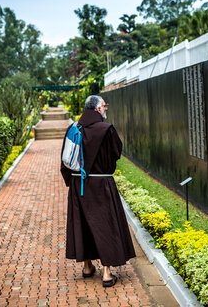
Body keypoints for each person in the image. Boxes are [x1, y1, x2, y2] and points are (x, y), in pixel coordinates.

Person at [60, 95, 136, 287]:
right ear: (96, 109)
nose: (106, 108)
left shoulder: (73, 128)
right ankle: (107, 274)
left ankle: (87, 267)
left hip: (79, 186)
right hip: (101, 185)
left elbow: (65, 161)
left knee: (83, 223)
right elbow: (115, 153)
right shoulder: (106, 129)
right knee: (106, 225)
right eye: (104, 105)